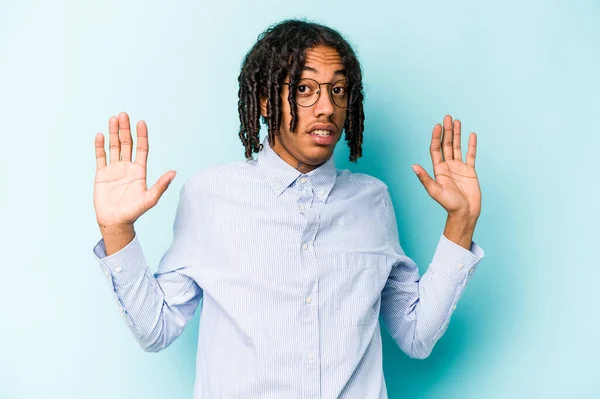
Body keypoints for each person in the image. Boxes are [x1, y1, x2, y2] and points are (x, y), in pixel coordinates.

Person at [92, 19, 484, 398]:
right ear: (265, 100)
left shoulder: (373, 201)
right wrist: (117, 231)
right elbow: (155, 329)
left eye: (339, 90)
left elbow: (416, 335)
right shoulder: (211, 195)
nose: (326, 107)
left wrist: (461, 221)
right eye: (304, 88)